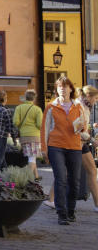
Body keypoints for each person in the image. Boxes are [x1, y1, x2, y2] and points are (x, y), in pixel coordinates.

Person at [42, 75, 86, 224]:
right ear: (56, 89)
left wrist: (82, 128)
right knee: (60, 179)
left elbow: (83, 128)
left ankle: (71, 211)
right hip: (56, 146)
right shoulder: (51, 106)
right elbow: (45, 129)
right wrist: (44, 148)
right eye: (59, 86)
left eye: (65, 86)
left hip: (74, 146)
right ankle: (61, 214)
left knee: (75, 182)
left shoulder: (78, 107)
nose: (62, 88)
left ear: (71, 89)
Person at [13, 89, 44, 179]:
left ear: (25, 97)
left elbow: (16, 122)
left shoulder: (19, 108)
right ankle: (26, 178)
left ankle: (36, 176)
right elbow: (40, 125)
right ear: (34, 98)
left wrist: (23, 127)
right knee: (32, 158)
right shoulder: (37, 109)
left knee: (31, 156)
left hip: (23, 136)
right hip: (34, 136)